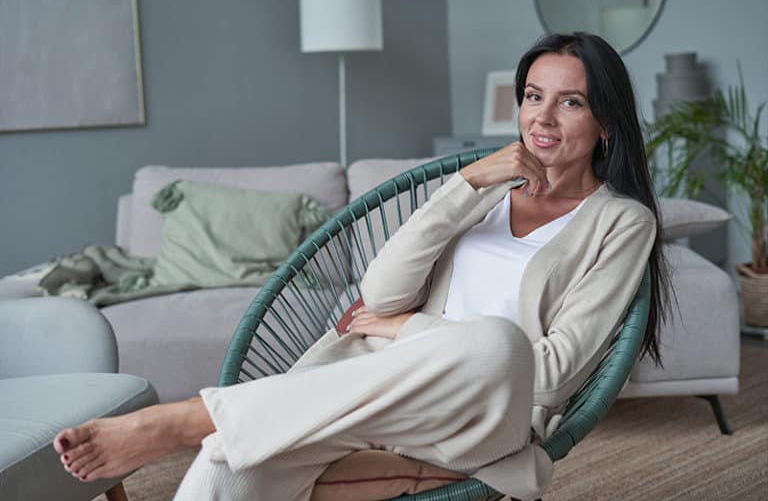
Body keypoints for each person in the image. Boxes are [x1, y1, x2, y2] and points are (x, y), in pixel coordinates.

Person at [52, 32, 671, 500]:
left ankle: (196, 416)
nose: (542, 117)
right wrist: (469, 181)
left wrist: (404, 330)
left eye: (570, 102)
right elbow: (381, 291)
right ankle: (223, 430)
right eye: (533, 96)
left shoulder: (622, 222)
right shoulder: (484, 191)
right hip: (371, 387)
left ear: (605, 123)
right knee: (231, 464)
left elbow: (552, 375)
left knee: (497, 343)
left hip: (483, 410)